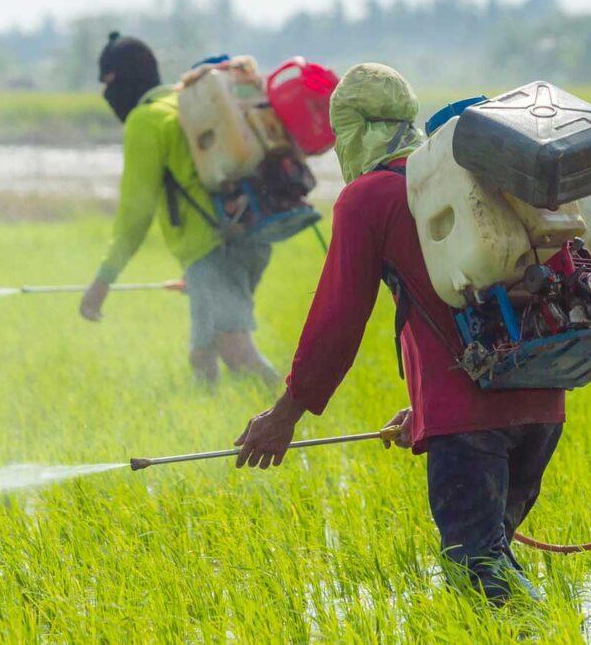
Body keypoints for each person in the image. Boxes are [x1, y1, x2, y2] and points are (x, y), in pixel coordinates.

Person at [232, 63, 565, 604]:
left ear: (354, 130)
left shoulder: (370, 197)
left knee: (477, 572)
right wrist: (425, 408)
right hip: (542, 401)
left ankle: (552, 634)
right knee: (491, 560)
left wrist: (283, 416)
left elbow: (336, 321)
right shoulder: (467, 175)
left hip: (473, 414)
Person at [80, 32, 278, 385]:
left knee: (235, 350)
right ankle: (214, 422)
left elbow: (135, 215)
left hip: (215, 246)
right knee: (203, 352)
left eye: (107, 84)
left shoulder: (146, 120)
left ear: (120, 80)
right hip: (247, 235)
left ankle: (291, 416)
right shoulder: (182, 103)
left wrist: (103, 281)